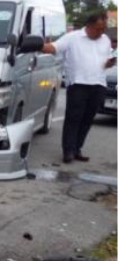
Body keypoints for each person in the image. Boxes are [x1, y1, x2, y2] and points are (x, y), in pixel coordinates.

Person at [41, 11, 115, 163]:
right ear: (89, 26)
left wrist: (110, 62)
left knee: (87, 119)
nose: (101, 32)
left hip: (99, 84)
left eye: (103, 29)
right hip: (78, 84)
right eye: (98, 28)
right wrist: (36, 45)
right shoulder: (73, 37)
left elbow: (106, 59)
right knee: (74, 118)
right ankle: (68, 151)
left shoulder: (105, 39)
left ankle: (77, 149)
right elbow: (53, 47)